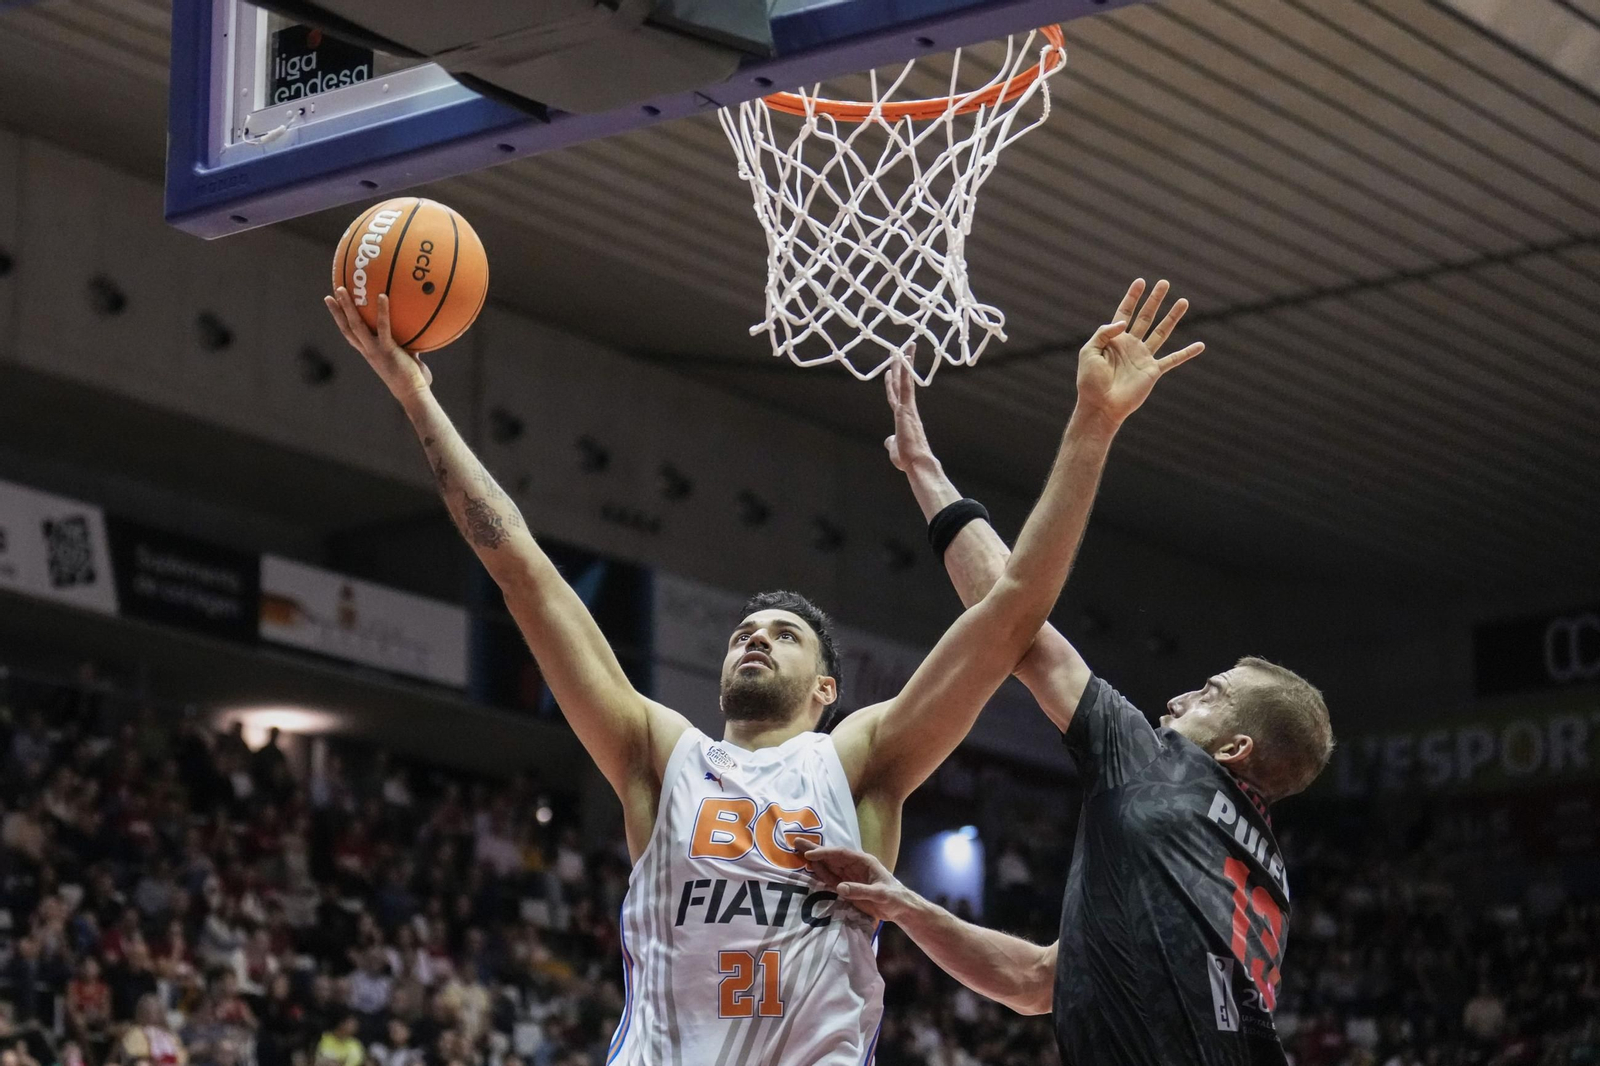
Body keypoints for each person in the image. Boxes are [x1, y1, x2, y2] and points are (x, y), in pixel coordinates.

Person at [323, 276, 1204, 1065]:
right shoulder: (657, 753)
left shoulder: (858, 762)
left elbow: (1013, 613)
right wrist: (416, 397)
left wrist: (1092, 424)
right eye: (745, 631)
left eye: (784, 635)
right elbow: (522, 570)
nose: (755, 639)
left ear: (827, 689)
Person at [796, 279, 1336, 1066]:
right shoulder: (1257, 874)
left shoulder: (1163, 772)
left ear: (1235, 750)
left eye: (1209, 695)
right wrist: (905, 905)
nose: (1178, 698)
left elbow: (1013, 619)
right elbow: (1036, 982)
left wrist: (1069, 426)